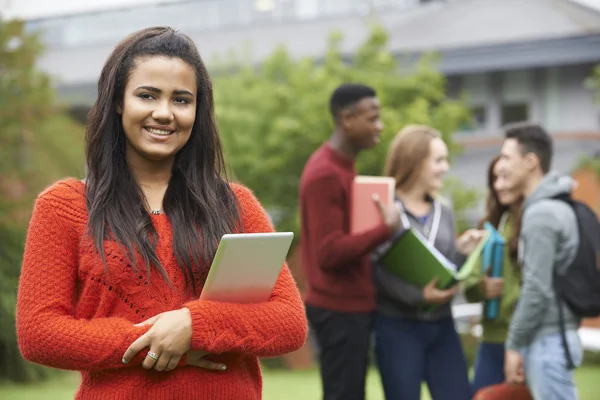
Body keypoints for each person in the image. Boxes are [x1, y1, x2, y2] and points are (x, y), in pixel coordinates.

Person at [16, 27, 307, 400]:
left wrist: (193, 324)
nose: (164, 113)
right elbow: (40, 333)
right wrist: (159, 340)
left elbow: (289, 323)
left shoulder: (235, 205)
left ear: (198, 110)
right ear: (118, 101)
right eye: (147, 95)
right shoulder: (65, 206)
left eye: (181, 100)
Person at [299, 83, 401, 400]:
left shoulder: (343, 167)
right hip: (337, 310)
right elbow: (329, 252)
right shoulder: (325, 173)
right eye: (373, 118)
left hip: (352, 308)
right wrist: (385, 229)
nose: (379, 126)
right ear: (347, 119)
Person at [372, 125, 483, 400]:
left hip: (443, 326)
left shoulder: (443, 210)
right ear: (416, 160)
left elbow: (444, 265)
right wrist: (420, 295)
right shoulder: (384, 207)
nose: (445, 167)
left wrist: (460, 250)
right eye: (438, 160)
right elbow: (375, 271)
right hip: (398, 328)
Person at [496, 122, 582, 400]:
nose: (500, 166)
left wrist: (513, 345)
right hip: (553, 339)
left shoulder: (541, 214)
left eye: (507, 157)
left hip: (548, 344)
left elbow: (536, 289)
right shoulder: (554, 204)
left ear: (531, 162)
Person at [464, 155, 524, 392]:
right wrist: (481, 287)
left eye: (505, 177)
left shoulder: (537, 222)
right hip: (491, 340)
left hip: (524, 340)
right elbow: (470, 281)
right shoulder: (491, 225)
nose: (499, 185)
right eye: (494, 179)